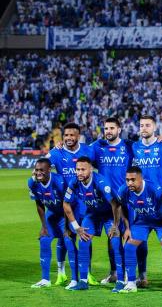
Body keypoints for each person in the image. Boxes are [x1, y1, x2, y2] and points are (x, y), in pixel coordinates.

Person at [47, 122, 97, 287]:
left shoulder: (88, 150)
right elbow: (40, 166)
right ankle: (61, 273)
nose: (68, 138)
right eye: (66, 135)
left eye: (72, 135)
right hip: (65, 202)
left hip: (84, 202)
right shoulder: (57, 152)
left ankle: (87, 272)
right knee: (64, 238)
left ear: (78, 136)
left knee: (85, 238)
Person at [62, 157, 123, 291]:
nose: (79, 173)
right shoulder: (74, 182)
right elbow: (65, 203)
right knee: (83, 242)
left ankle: (121, 281)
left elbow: (116, 204)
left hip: (109, 214)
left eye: (83, 169)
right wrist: (76, 226)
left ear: (91, 169)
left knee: (115, 242)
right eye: (77, 169)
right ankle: (83, 281)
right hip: (93, 214)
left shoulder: (100, 182)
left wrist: (116, 225)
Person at [115, 166, 162, 295]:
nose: (129, 183)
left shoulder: (156, 190)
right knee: (129, 247)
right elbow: (121, 208)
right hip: (142, 222)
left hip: (161, 223)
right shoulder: (123, 190)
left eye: (133, 180)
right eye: (127, 180)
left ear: (141, 179)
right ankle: (131, 283)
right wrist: (127, 228)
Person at [131, 114, 162, 286]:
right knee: (140, 240)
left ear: (155, 127)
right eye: (141, 125)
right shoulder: (134, 147)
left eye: (147, 125)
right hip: (140, 201)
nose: (144, 128)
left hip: (161, 202)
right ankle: (142, 276)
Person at [91, 117, 134, 285]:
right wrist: (60, 146)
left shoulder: (129, 146)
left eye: (111, 128)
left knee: (130, 238)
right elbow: (80, 154)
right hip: (106, 202)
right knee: (112, 238)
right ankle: (114, 272)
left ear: (119, 129)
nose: (108, 131)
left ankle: (132, 274)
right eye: (106, 128)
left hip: (126, 200)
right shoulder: (97, 146)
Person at [28, 158, 69, 288]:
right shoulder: (32, 183)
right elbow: (39, 204)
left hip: (65, 214)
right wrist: (44, 226)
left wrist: (68, 226)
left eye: (41, 170)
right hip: (51, 214)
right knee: (44, 240)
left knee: (66, 240)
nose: (38, 173)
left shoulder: (60, 181)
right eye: (36, 170)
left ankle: (65, 274)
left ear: (49, 170)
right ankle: (45, 279)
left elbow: (68, 205)